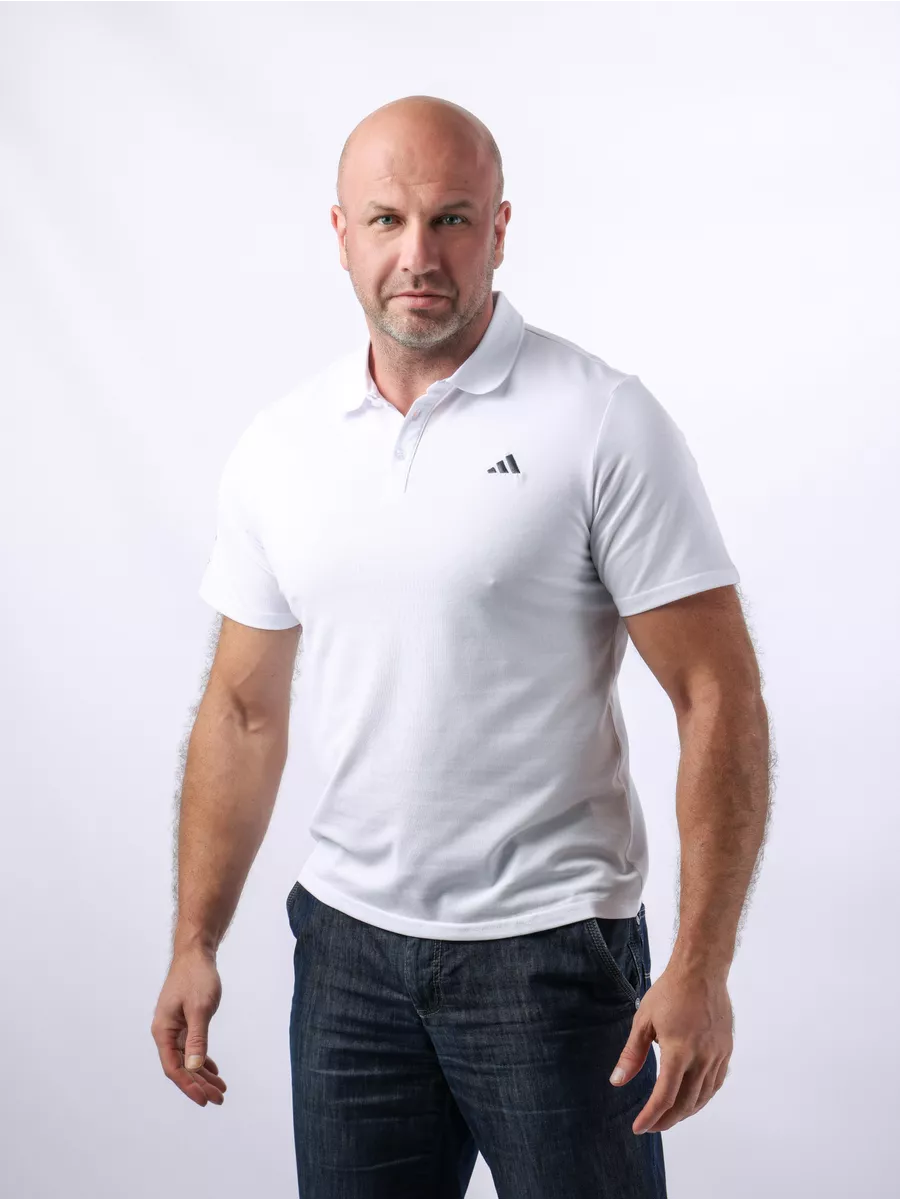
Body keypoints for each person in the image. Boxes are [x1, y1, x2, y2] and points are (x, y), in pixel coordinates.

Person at [151, 94, 770, 1200]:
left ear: (500, 228)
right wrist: (195, 937)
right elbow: (243, 709)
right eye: (386, 221)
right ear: (340, 233)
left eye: (451, 219)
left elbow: (715, 693)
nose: (418, 256)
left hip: (552, 959)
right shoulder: (283, 446)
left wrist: (702, 964)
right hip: (347, 960)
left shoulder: (601, 419)